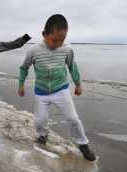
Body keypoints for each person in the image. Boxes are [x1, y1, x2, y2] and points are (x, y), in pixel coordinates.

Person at [18, 14, 96, 161]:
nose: (58, 43)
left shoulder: (66, 49)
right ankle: (43, 135)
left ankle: (83, 144)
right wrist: (21, 84)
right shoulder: (33, 51)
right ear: (44, 34)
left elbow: (72, 66)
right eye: (54, 40)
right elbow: (24, 68)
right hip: (41, 93)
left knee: (73, 119)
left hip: (61, 90)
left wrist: (78, 84)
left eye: (62, 40)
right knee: (39, 121)